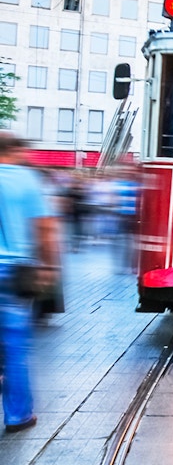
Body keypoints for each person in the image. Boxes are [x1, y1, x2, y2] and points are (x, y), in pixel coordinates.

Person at [0, 131, 62, 432]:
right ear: (15, 151)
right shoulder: (27, 181)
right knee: (14, 345)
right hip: (14, 273)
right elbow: (46, 228)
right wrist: (49, 267)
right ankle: (18, 415)